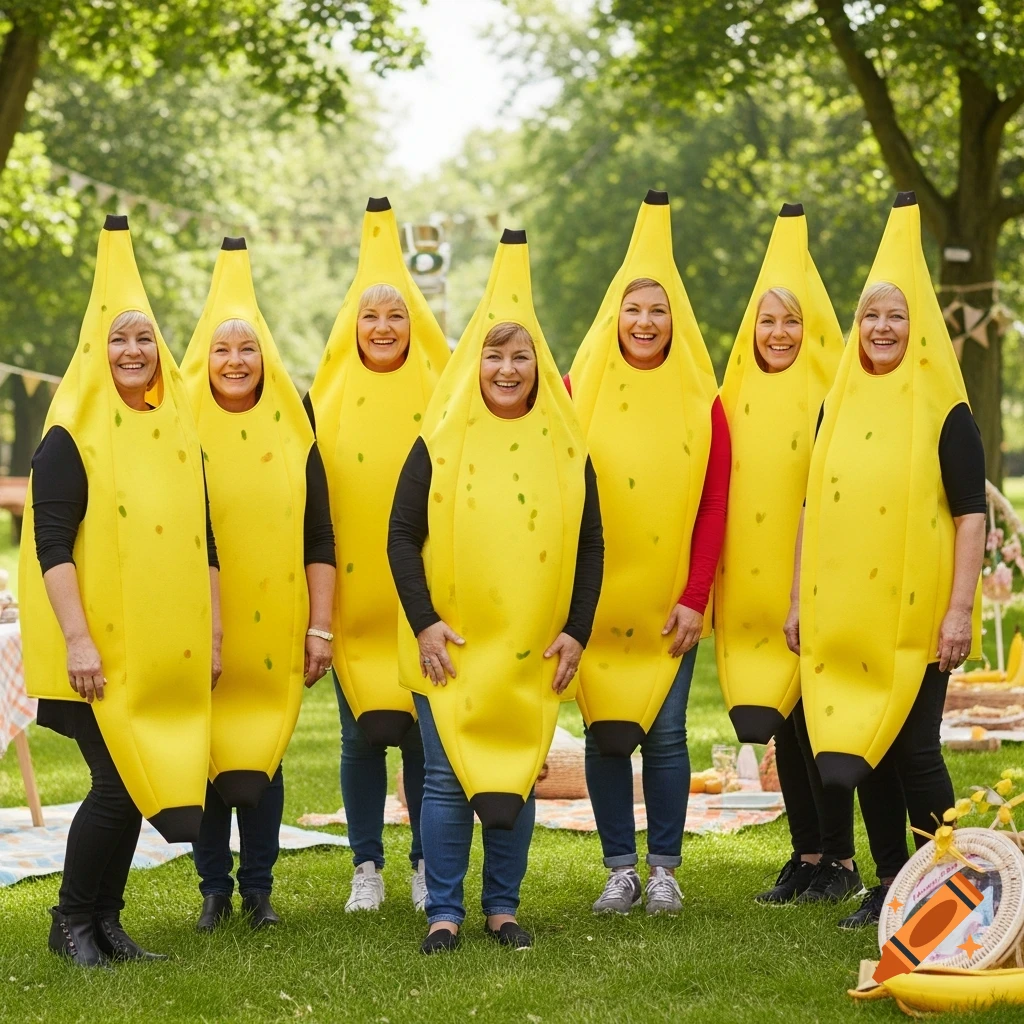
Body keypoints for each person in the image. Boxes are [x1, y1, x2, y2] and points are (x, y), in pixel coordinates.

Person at [388, 229, 603, 953]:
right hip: (447, 642)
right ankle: (443, 912)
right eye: (494, 354)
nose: (507, 368)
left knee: (519, 779)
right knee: (446, 783)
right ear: (472, 363)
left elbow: (591, 545)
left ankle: (503, 909)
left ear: (539, 365)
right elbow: (399, 537)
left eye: (521, 356)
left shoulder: (570, 451)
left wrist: (577, 629)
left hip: (532, 646)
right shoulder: (436, 444)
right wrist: (422, 623)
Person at [19, 215, 218, 966]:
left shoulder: (173, 434)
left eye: (144, 339)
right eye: (118, 340)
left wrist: (214, 635)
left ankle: (105, 922)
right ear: (95, 354)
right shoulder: (70, 437)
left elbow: (203, 541)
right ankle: (72, 920)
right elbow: (51, 546)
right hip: (92, 649)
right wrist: (77, 639)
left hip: (156, 652)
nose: (133, 352)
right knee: (114, 783)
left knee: (132, 784)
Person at [786, 191, 986, 928]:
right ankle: (891, 881)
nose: (879, 326)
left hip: (917, 613)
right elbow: (811, 506)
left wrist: (959, 610)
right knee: (862, 747)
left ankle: (949, 878)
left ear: (920, 325)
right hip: (843, 611)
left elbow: (972, 514)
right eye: (870, 314)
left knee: (913, 750)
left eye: (895, 315)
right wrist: (801, 603)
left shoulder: (946, 410)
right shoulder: (833, 404)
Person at [566, 191, 728, 916]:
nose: (645, 321)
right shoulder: (574, 393)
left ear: (676, 320)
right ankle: (618, 869)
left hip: (670, 600)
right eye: (633, 309)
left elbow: (714, 503)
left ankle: (665, 867)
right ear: (615, 316)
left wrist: (696, 596)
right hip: (594, 603)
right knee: (606, 736)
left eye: (658, 310)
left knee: (664, 735)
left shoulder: (705, 400)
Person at [182, 238, 336, 932]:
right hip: (197, 617)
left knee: (263, 754)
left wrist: (321, 626)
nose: (236, 361)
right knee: (208, 753)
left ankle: (260, 890)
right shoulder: (178, 422)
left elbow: (321, 538)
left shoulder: (296, 422)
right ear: (203, 359)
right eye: (222, 349)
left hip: (277, 617)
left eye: (247, 349)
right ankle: (213, 886)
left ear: (264, 355)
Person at [305, 198, 450, 912]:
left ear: (412, 324)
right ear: (351, 326)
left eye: (396, 316)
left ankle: (426, 862)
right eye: (371, 316)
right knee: (360, 736)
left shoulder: (443, 391)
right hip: (350, 595)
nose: (384, 327)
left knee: (423, 738)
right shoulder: (321, 399)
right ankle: (367, 865)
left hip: (420, 591)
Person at [711, 203, 848, 905]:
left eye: (791, 320)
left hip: (814, 580)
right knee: (783, 728)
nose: (779, 332)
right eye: (768, 320)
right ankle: (807, 852)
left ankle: (843, 860)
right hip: (753, 588)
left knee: (821, 722)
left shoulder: (833, 394)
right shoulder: (731, 395)